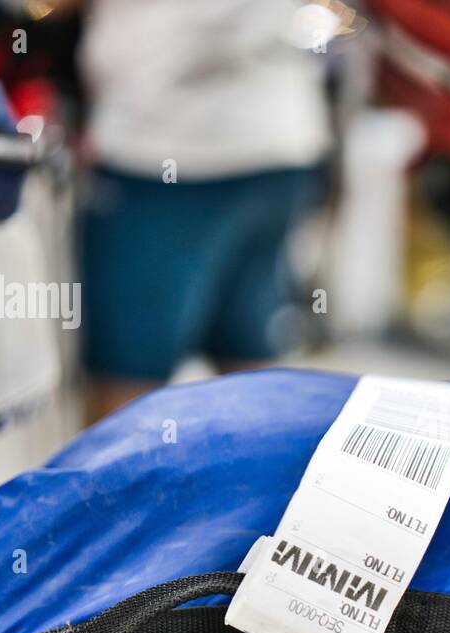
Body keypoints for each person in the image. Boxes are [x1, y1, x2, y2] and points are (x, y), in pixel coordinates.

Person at [74, 0, 331, 421]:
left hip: (167, 147)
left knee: (127, 387)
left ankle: (114, 488)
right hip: (279, 137)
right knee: (249, 369)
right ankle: (261, 487)